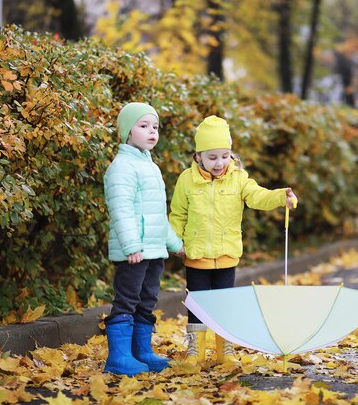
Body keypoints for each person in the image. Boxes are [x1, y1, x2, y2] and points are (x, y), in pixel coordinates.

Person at [169, 115, 298, 366]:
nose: (220, 163)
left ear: (231, 154)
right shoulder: (187, 179)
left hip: (227, 254)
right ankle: (195, 352)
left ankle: (224, 351)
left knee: (224, 303)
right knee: (197, 302)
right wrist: (176, 242)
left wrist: (281, 197)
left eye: (225, 156)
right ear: (198, 157)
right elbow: (178, 213)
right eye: (212, 157)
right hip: (196, 254)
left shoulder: (238, 178)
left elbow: (257, 196)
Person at [103, 102, 184, 376]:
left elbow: (157, 215)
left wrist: (174, 244)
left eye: (155, 127)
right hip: (134, 252)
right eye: (144, 126)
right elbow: (121, 208)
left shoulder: (151, 167)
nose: (152, 132)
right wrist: (131, 245)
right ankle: (119, 357)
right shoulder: (122, 166)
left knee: (148, 299)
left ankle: (142, 352)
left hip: (153, 251)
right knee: (128, 298)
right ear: (127, 132)